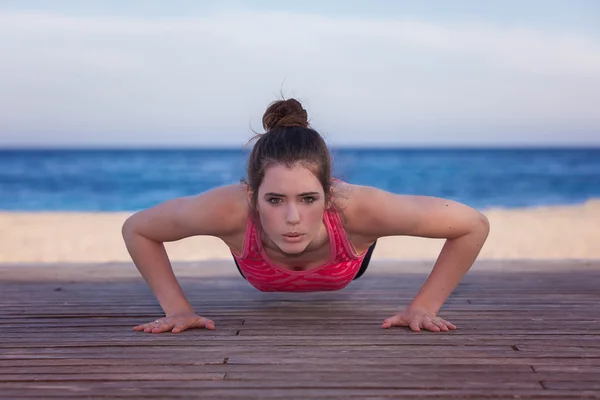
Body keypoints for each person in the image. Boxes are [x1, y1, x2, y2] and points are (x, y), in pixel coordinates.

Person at [122, 98, 490, 335]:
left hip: (347, 260)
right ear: (252, 197)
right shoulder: (229, 210)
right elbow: (138, 228)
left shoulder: (359, 210)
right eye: (275, 199)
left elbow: (472, 224)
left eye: (309, 198)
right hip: (255, 262)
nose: (293, 217)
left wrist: (423, 307)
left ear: (329, 195)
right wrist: (177, 310)